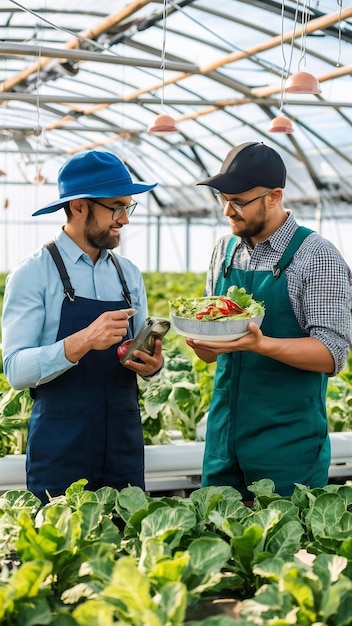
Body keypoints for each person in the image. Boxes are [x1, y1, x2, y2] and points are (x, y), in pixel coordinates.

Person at [187, 141, 352, 503]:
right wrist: (205, 345)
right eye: (222, 199)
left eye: (239, 201)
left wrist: (260, 344)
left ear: (274, 196)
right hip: (222, 443)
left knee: (284, 553)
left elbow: (331, 354)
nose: (228, 210)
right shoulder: (225, 252)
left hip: (287, 449)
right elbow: (213, 356)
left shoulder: (317, 257)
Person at [2, 150, 164, 504]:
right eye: (115, 207)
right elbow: (15, 370)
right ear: (78, 206)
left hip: (123, 441)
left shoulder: (128, 275)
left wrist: (152, 366)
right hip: (62, 446)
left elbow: (138, 350)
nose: (124, 218)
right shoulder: (33, 274)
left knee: (129, 546)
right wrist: (81, 342)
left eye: (128, 207)